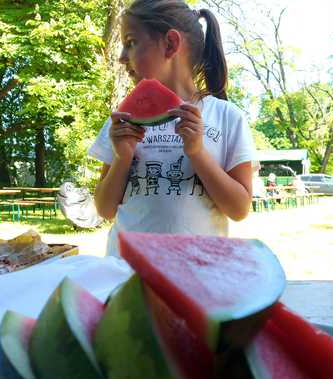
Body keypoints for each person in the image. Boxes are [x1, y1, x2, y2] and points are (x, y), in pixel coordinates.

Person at [89, 0, 255, 257]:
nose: (122, 57)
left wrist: (198, 152)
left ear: (170, 44)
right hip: (128, 273)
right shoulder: (123, 119)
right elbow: (105, 209)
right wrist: (122, 158)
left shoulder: (227, 117)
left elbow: (239, 209)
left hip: (198, 272)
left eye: (131, 42)